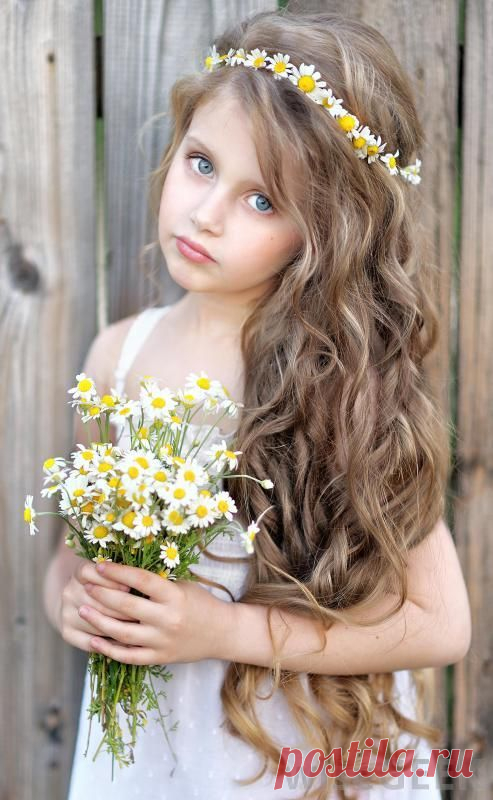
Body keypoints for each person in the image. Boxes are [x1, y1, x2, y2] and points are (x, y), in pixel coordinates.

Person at [43, 9, 471, 800]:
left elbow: (441, 626)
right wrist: (73, 600)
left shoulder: (342, 386)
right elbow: (77, 555)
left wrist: (219, 632)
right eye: (201, 164)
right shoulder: (118, 358)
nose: (206, 214)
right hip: (152, 754)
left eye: (263, 201)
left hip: (297, 758)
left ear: (326, 231)